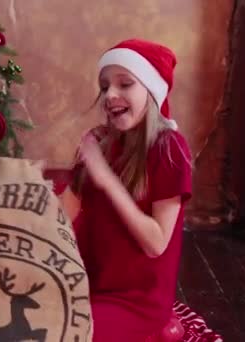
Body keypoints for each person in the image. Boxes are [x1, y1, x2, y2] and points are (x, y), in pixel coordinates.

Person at [61, 39, 192, 341]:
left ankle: (153, 328)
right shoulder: (100, 145)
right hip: (86, 283)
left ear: (152, 89)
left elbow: (155, 243)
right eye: (105, 86)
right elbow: (63, 215)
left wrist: (107, 179)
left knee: (64, 335)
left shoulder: (169, 148)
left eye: (125, 83)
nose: (111, 95)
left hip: (135, 301)